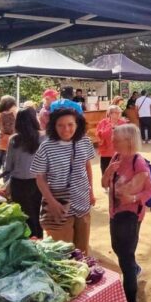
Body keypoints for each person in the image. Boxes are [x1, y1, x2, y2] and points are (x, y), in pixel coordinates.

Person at [101, 124, 151, 302]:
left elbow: (150, 190)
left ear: (128, 141)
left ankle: (130, 301)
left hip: (131, 214)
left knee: (125, 255)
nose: (112, 141)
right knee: (118, 248)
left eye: (116, 138)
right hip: (115, 212)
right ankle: (134, 269)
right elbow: (103, 183)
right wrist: (108, 172)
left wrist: (132, 198)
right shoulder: (116, 157)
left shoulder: (138, 162)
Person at [31, 108, 96, 254]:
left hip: (82, 201)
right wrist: (52, 202)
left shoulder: (85, 142)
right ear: (53, 126)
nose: (66, 129)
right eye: (60, 125)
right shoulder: (46, 147)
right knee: (62, 251)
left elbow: (87, 166)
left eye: (70, 124)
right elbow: (40, 177)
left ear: (77, 124)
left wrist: (91, 191)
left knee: (82, 250)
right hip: (58, 204)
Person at [1, 107, 45, 238]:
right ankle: (40, 240)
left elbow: (8, 166)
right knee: (38, 213)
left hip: (19, 184)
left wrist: (6, 184)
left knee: (24, 216)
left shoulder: (14, 139)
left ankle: (29, 241)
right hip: (39, 182)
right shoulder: (44, 138)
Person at [0, 95, 18, 185]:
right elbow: (14, 128)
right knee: (6, 163)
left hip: (2, 140)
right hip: (9, 141)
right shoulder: (11, 114)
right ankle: (6, 182)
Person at [96, 105, 128, 175]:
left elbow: (127, 137)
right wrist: (111, 128)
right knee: (106, 174)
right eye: (116, 112)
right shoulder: (103, 123)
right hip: (106, 153)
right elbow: (101, 135)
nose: (119, 114)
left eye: (119, 112)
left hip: (120, 153)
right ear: (110, 113)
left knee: (120, 175)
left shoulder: (123, 123)